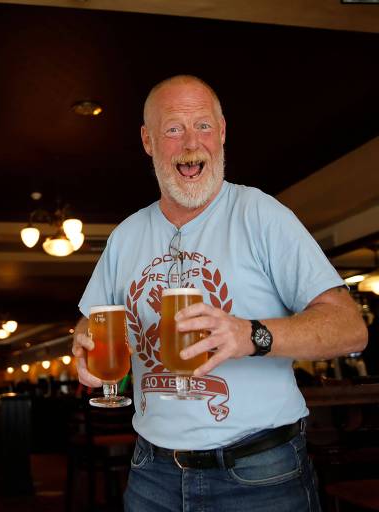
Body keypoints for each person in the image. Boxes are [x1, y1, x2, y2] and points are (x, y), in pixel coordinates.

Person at [72, 75, 368, 511]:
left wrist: (250, 334)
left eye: (204, 126)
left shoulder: (260, 214)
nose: (192, 144)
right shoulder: (126, 236)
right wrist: (84, 344)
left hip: (259, 474)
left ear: (223, 131)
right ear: (148, 141)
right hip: (152, 472)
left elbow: (350, 327)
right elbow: (92, 319)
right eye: (174, 129)